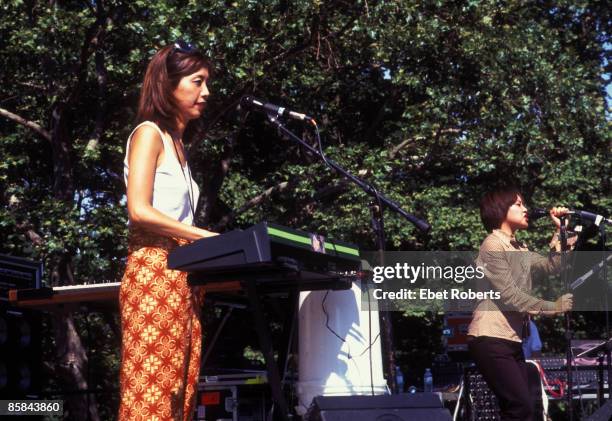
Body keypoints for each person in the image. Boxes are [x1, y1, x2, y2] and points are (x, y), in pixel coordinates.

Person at [119, 41, 218, 420]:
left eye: (206, 82)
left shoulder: (179, 146)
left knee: (180, 395)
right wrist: (204, 237)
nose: (205, 93)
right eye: (197, 81)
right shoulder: (148, 134)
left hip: (183, 278)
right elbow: (139, 210)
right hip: (153, 273)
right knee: (150, 397)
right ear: (168, 85)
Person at [467, 187, 573, 421]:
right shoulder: (492, 245)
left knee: (523, 409)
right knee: (519, 407)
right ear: (500, 210)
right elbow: (510, 295)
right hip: (490, 338)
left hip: (510, 339)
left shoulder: (518, 248)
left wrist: (561, 229)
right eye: (518, 204)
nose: (525, 209)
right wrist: (552, 307)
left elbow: (552, 265)